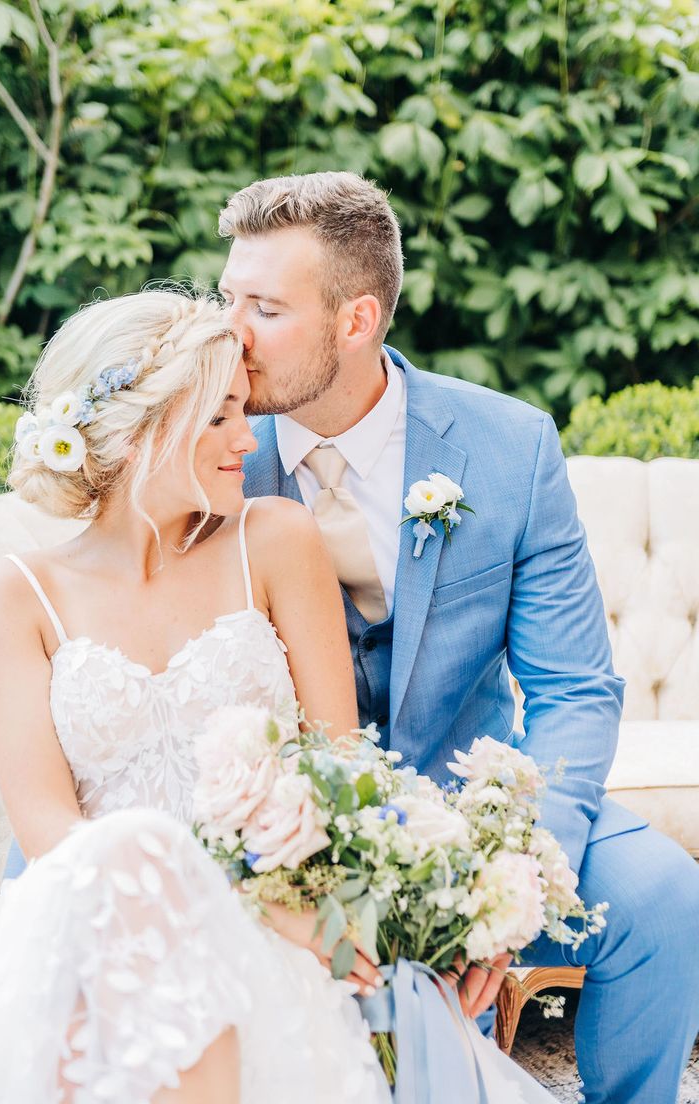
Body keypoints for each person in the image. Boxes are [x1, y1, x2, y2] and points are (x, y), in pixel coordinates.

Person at [218, 170, 699, 1104]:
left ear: (356, 321)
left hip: (473, 803)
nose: (230, 331)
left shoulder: (508, 446)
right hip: (281, 821)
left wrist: (523, 865)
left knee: (663, 898)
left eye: (265, 307)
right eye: (228, 296)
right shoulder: (209, 445)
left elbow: (573, 689)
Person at [0, 289, 391, 1104]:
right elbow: (49, 827)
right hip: (96, 915)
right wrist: (205, 897)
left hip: (276, 910)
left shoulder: (274, 540)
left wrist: (288, 902)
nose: (248, 439)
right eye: (222, 416)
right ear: (141, 432)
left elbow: (338, 763)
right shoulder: (14, 596)